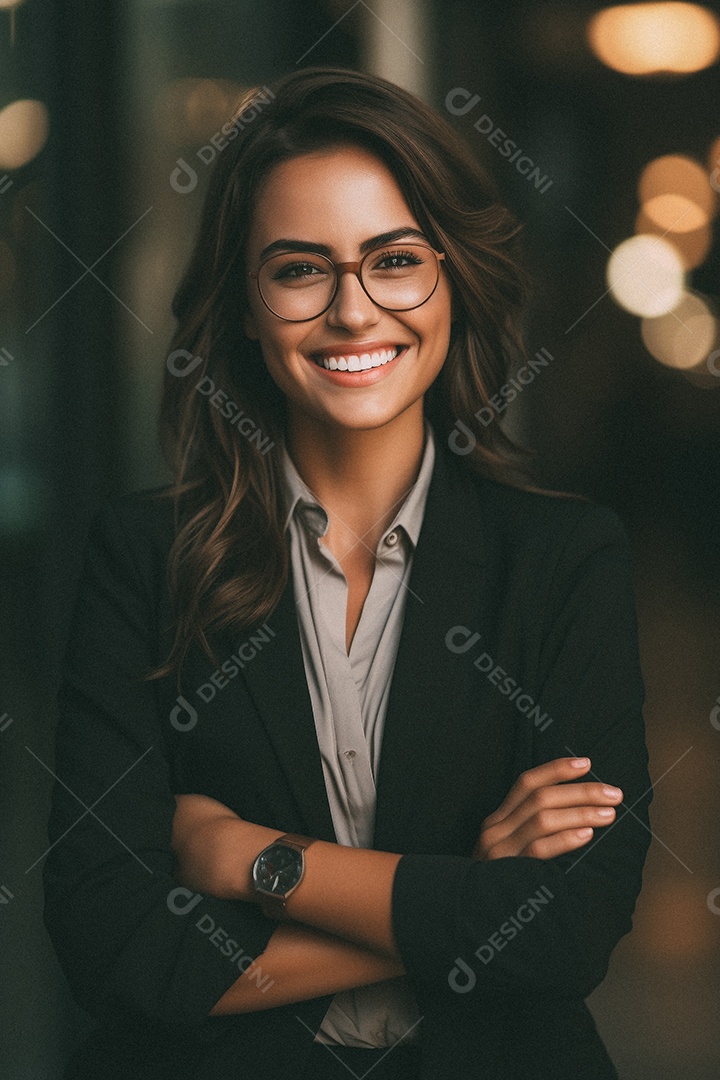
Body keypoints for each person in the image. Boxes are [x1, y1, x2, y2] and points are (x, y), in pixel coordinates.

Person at [43, 66, 653, 1080]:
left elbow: (565, 932)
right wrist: (462, 894)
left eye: (396, 260)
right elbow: (112, 945)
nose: (355, 312)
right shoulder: (143, 560)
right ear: (244, 304)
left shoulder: (563, 560)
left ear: (452, 278)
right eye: (299, 270)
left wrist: (257, 863)